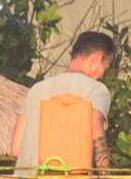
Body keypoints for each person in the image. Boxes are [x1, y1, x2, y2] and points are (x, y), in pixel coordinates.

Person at [14, 30, 118, 171]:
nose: (102, 75)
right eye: (105, 68)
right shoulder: (96, 90)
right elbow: (95, 128)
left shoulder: (36, 90)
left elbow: (16, 148)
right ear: (97, 58)